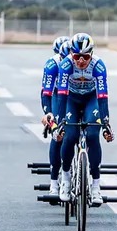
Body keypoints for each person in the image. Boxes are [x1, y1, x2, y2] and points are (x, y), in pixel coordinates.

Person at [53, 32, 114, 206]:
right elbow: (62, 95)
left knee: (93, 136)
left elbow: (102, 96)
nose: (81, 61)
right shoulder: (65, 65)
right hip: (71, 99)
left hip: (91, 99)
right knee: (70, 136)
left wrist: (106, 123)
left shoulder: (98, 66)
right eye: (77, 56)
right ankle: (65, 178)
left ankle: (95, 186)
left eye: (85, 56)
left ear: (92, 54)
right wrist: (60, 121)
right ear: (71, 54)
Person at [40, 36, 72, 199]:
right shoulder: (52, 64)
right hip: (56, 95)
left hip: (74, 96)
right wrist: (48, 113)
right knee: (57, 134)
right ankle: (54, 182)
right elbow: (45, 93)